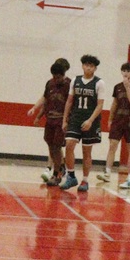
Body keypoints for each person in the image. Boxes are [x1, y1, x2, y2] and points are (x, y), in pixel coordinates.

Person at [64, 54, 105, 192]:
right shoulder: (75, 80)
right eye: (86, 65)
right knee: (69, 145)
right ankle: (71, 176)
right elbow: (69, 101)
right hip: (75, 118)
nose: (88, 68)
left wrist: (90, 120)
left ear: (95, 68)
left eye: (91, 66)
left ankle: (85, 180)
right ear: (82, 66)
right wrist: (64, 119)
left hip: (90, 120)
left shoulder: (99, 83)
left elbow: (100, 105)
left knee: (86, 151)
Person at [37, 58, 71, 186]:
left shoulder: (69, 85)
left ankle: (56, 173)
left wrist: (67, 120)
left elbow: (71, 104)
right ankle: (60, 167)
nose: (57, 79)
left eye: (59, 77)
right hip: (50, 119)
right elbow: (45, 101)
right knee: (50, 145)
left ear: (64, 74)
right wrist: (38, 116)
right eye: (54, 77)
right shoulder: (50, 84)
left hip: (61, 120)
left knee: (57, 147)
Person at [109, 61, 130, 181]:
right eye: (124, 71)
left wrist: (128, 88)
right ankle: (107, 172)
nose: (126, 73)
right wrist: (110, 119)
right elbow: (114, 104)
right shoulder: (117, 87)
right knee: (112, 145)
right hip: (118, 120)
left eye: (128, 71)